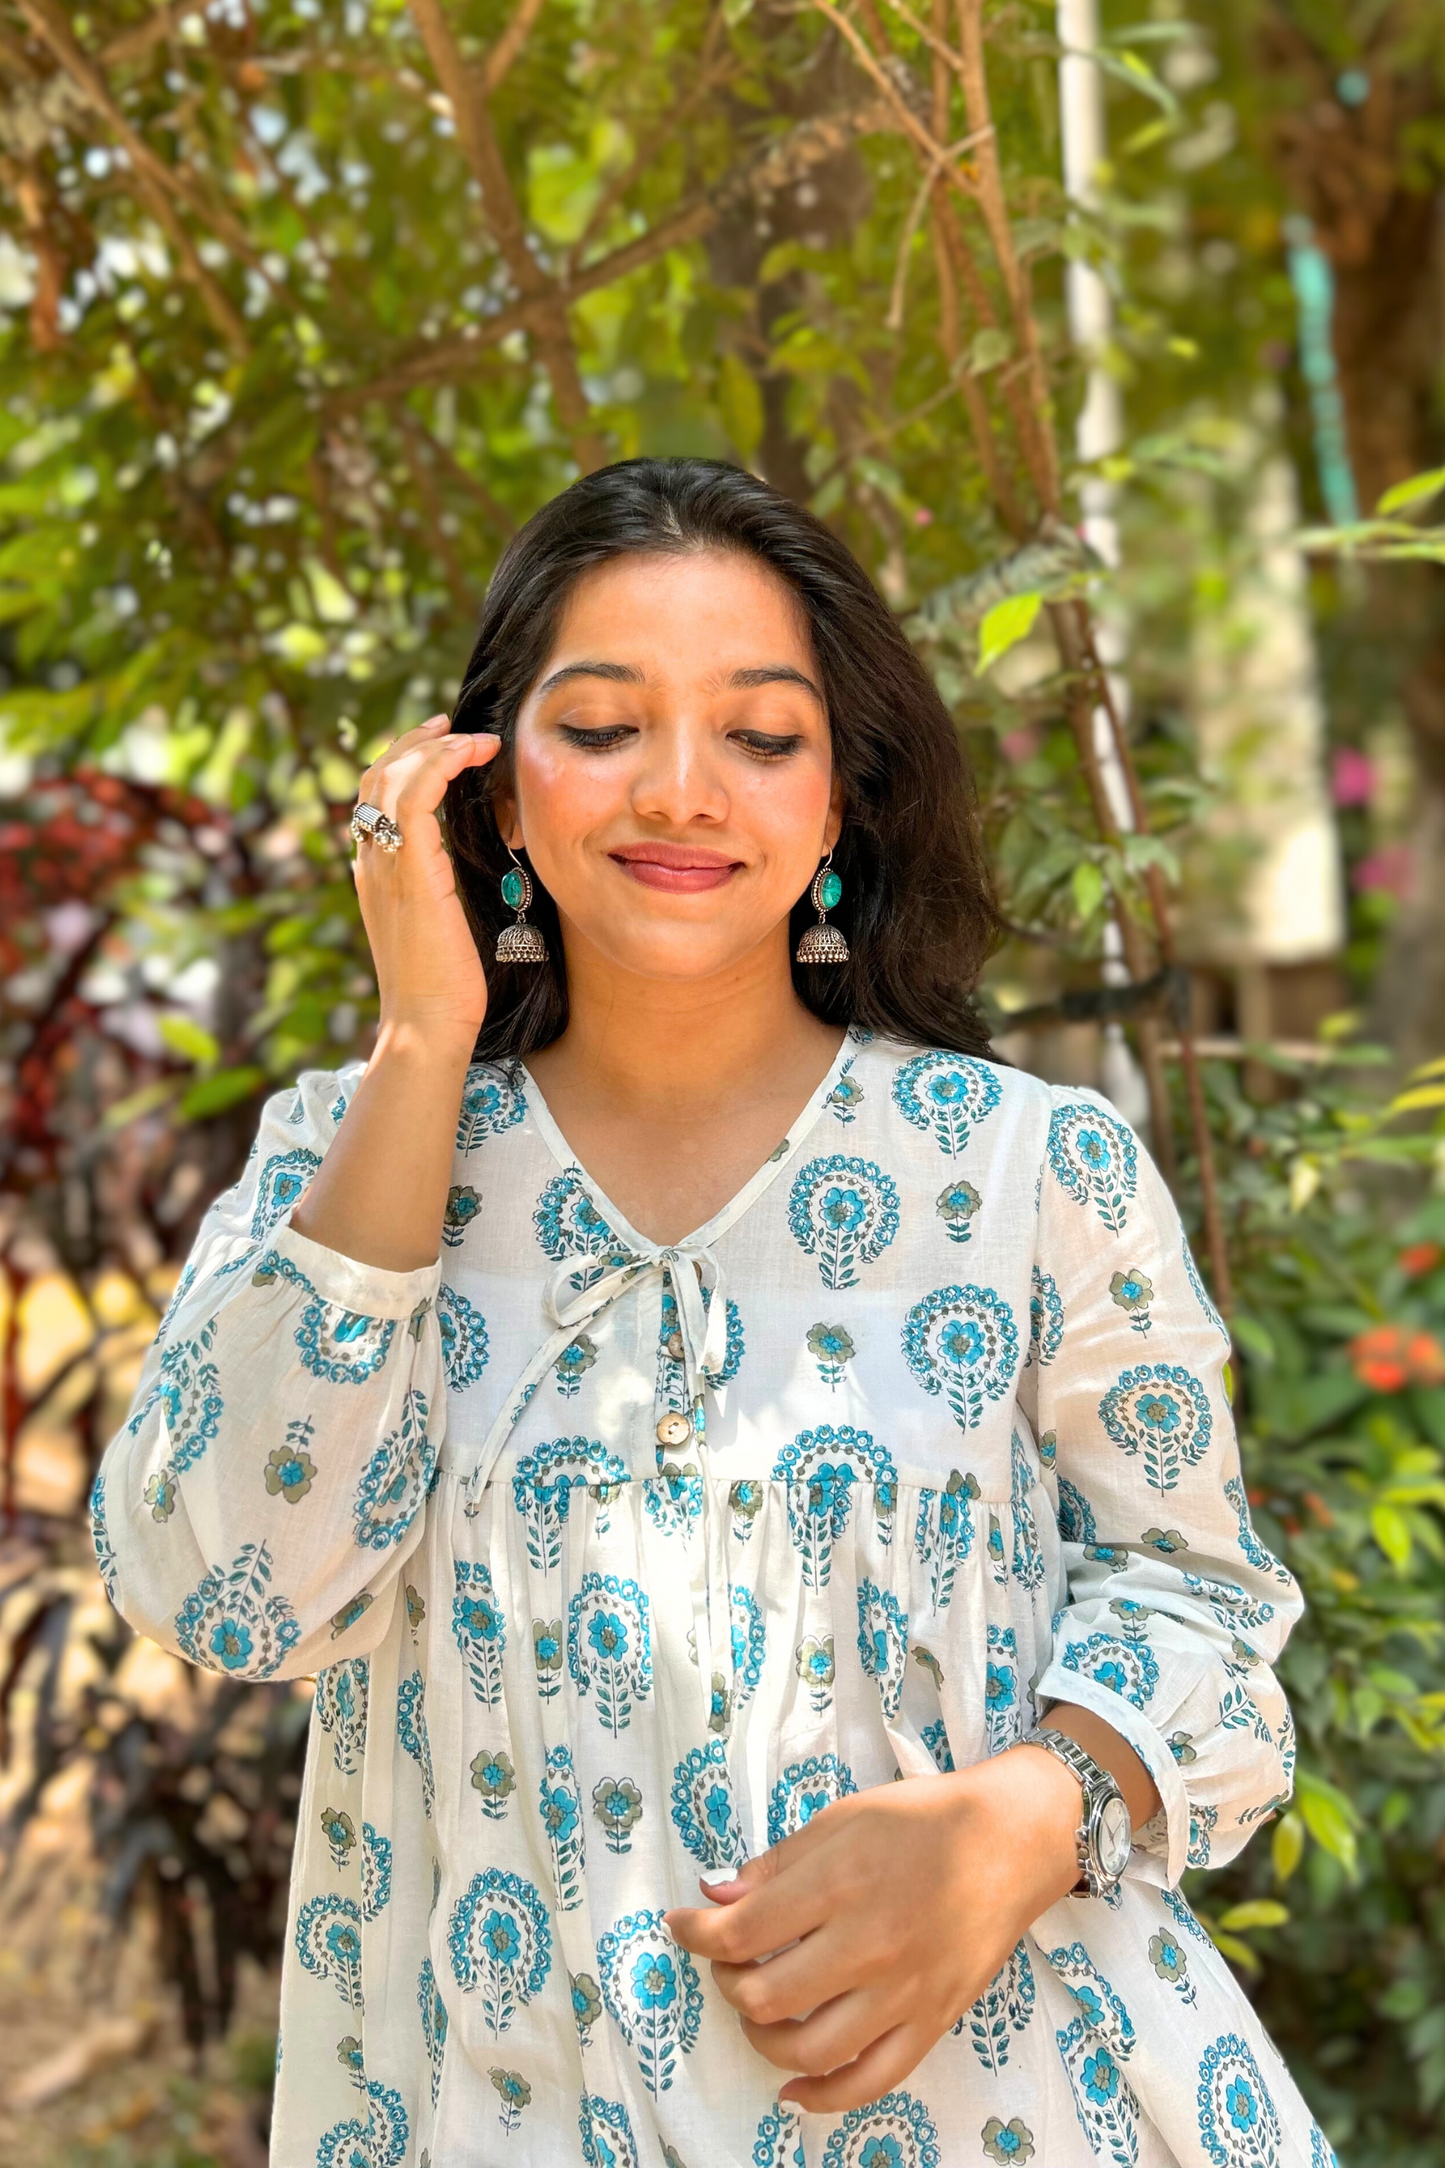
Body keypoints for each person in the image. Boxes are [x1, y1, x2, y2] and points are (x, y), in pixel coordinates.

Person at [94, 458, 1334, 2168]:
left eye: (762, 737)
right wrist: (417, 1048)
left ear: (839, 805)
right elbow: (224, 1593)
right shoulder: (349, 1158)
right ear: (494, 796)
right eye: (601, 725)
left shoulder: (1033, 1172)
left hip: (1019, 2110)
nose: (683, 790)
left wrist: (1018, 1823)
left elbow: (1204, 1601)